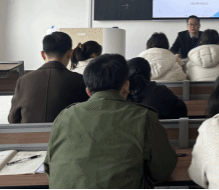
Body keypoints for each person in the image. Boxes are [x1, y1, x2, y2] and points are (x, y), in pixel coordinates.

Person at [44, 54, 177, 188]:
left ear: (88, 91)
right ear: (126, 86)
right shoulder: (143, 117)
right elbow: (162, 171)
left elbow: (49, 167)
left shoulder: (64, 116)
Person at [8, 32, 88, 123]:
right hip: (65, 132)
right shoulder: (80, 80)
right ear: (70, 53)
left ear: (43, 54)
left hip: (29, 132)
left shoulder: (23, 80)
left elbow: (13, 119)